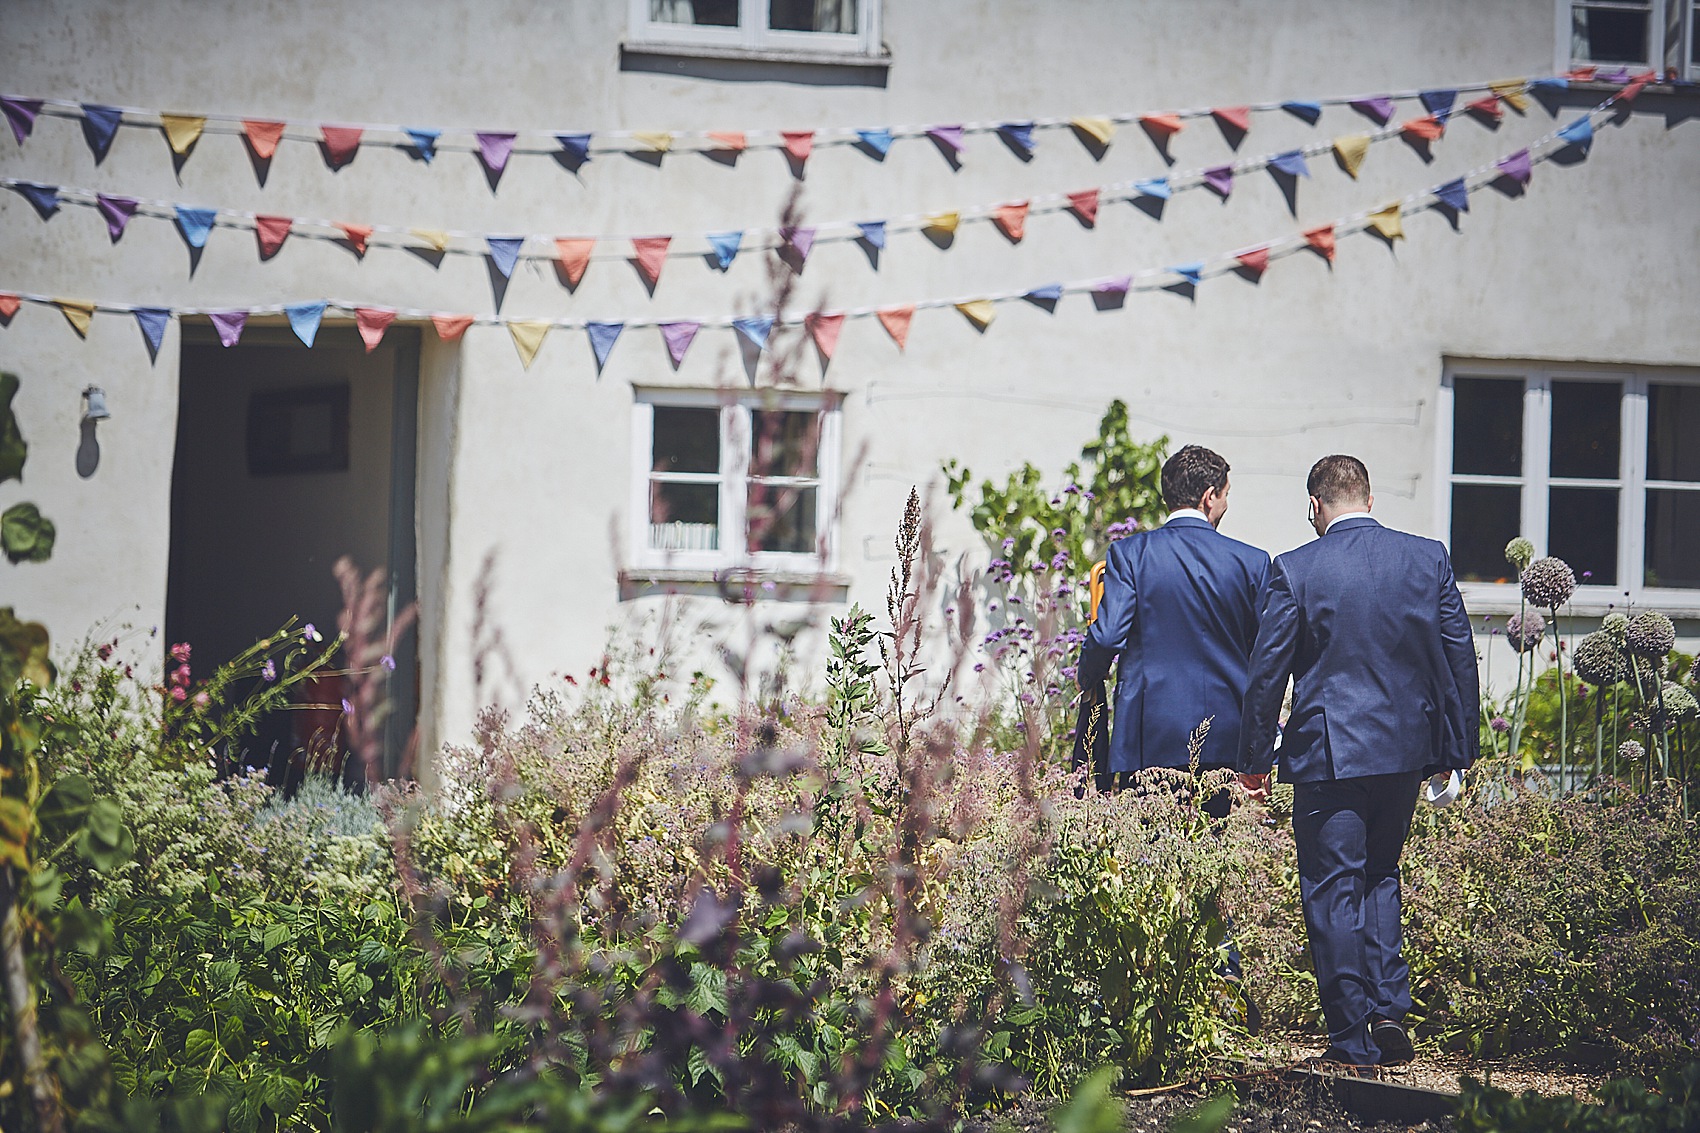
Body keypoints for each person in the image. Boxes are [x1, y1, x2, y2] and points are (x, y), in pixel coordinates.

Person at [1240, 455, 1479, 1072]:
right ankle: (1389, 1010)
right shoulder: (1426, 559)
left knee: (1331, 887)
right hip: (1404, 751)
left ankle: (1351, 1032)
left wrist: (1254, 758)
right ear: (1369, 500)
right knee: (1381, 874)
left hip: (1328, 753)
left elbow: (1267, 676)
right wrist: (1458, 750)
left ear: (1316, 506)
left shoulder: (1295, 568)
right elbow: (1458, 657)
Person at [1077, 445, 1271, 810]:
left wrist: (1087, 676)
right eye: (1226, 495)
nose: (1226, 506)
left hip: (1149, 738)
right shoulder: (1253, 563)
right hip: (1226, 740)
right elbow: (1267, 659)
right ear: (1209, 496)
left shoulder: (1129, 555)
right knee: (1218, 856)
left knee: (1150, 858)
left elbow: (1106, 635)